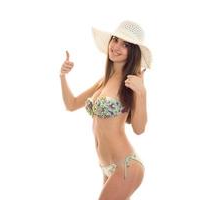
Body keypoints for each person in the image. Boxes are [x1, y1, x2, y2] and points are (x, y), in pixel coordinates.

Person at [60, 20, 152, 200]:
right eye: (115, 40)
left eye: (125, 45)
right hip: (106, 167)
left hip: (125, 165)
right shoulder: (104, 81)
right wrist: (62, 76)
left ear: (132, 52)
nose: (116, 46)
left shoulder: (132, 83)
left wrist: (142, 93)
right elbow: (71, 104)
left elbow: (139, 129)